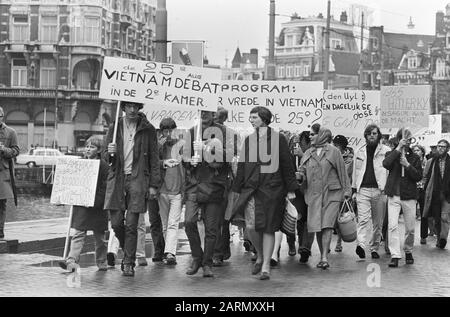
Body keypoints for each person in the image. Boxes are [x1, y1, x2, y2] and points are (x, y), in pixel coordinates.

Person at [231, 106, 298, 280]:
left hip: (272, 189)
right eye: (250, 117)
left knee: (269, 228)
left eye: (254, 117)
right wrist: (236, 189)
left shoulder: (279, 138)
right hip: (251, 189)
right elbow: (243, 166)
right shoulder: (249, 139)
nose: (251, 120)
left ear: (264, 119)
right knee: (251, 227)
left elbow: (286, 163)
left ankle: (266, 265)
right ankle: (260, 254)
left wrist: (291, 189)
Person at [104, 101, 161, 277]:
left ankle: (128, 262)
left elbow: (154, 158)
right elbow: (106, 159)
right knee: (116, 223)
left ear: (139, 108)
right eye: (128, 106)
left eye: (135, 106)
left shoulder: (148, 129)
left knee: (131, 224)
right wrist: (109, 151)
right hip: (118, 180)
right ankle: (127, 248)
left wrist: (153, 185)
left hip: (138, 179)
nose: (132, 109)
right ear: (123, 108)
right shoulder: (115, 127)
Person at [184, 110, 232, 278]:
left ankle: (207, 263)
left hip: (214, 186)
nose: (204, 114)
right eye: (201, 111)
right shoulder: (191, 131)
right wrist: (190, 161)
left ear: (214, 114)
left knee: (212, 228)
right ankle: (197, 257)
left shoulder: (224, 132)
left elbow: (228, 156)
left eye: (208, 112)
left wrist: (205, 149)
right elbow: (185, 158)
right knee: (189, 222)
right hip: (194, 186)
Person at [298, 124, 351, 269]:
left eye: (313, 134)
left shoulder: (334, 152)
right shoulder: (308, 153)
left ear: (321, 135)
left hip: (332, 193)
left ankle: (324, 258)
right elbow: (301, 171)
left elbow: (342, 172)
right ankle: (323, 255)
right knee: (318, 227)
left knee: (327, 225)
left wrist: (347, 192)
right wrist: (299, 176)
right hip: (314, 195)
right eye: (309, 134)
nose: (310, 137)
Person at [59, 136, 109, 271]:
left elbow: (105, 187)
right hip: (82, 205)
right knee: (78, 234)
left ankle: (101, 261)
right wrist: (64, 195)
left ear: (98, 150)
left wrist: (94, 201)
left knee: (100, 239)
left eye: (92, 147)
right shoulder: (79, 163)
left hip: (97, 208)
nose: (88, 149)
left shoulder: (103, 166)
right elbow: (72, 182)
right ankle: (71, 260)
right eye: (87, 146)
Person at [383, 128, 422, 268]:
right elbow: (386, 164)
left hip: (409, 195)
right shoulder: (391, 153)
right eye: (404, 138)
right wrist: (398, 148)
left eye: (409, 139)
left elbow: (418, 176)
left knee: (410, 228)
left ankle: (408, 250)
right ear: (399, 139)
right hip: (394, 194)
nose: (407, 141)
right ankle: (395, 255)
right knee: (392, 226)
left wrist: (408, 165)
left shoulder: (415, 157)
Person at [351, 125, 390, 259]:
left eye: (374, 133)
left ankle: (374, 248)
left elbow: (389, 172)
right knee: (362, 219)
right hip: (363, 189)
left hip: (380, 191)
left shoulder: (386, 151)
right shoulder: (359, 151)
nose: (372, 135)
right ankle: (360, 245)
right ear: (365, 136)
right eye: (369, 134)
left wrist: (389, 190)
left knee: (378, 223)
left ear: (378, 135)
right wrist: (354, 189)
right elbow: (355, 172)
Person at [158, 118, 185, 265]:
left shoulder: (181, 145)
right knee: (165, 223)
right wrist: (158, 147)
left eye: (171, 130)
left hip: (177, 191)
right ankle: (167, 250)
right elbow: (151, 163)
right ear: (161, 131)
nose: (168, 134)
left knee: (173, 223)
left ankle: (170, 252)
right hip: (162, 190)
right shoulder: (158, 146)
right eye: (165, 131)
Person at [422, 139, 450, 249]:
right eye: (439, 146)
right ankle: (439, 238)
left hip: (448, 194)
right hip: (434, 193)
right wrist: (425, 188)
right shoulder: (431, 161)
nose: (440, 148)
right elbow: (425, 176)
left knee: (444, 217)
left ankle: (443, 238)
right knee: (436, 218)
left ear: (447, 148)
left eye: (443, 146)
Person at [332, 134, 354, 253]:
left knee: (341, 218)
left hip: (343, 192)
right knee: (332, 219)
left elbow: (346, 174)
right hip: (332, 191)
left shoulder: (349, 160)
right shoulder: (330, 156)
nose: (334, 147)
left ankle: (339, 242)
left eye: (336, 146)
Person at [0, 106, 19, 240]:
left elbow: (16, 151)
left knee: (1, 203)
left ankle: (0, 231)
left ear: (2, 116)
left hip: (2, 173)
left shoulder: (11, 132)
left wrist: (3, 149)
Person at [411, 144, 429, 244]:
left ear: (422, 152)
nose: (416, 152)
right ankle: (410, 235)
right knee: (410, 214)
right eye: (414, 150)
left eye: (418, 150)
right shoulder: (411, 161)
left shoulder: (427, 162)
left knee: (424, 214)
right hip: (413, 189)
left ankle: (423, 236)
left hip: (423, 190)